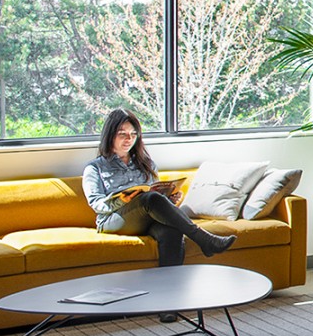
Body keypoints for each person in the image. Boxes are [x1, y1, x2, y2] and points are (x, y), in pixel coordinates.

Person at [82, 108, 235, 267]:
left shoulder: (147, 164)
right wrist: (122, 199)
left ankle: (170, 286)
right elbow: (96, 204)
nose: (128, 139)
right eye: (122, 134)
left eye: (133, 135)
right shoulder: (95, 168)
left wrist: (169, 199)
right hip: (112, 220)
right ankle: (204, 239)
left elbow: (154, 197)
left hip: (146, 219)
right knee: (149, 198)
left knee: (172, 230)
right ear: (110, 135)